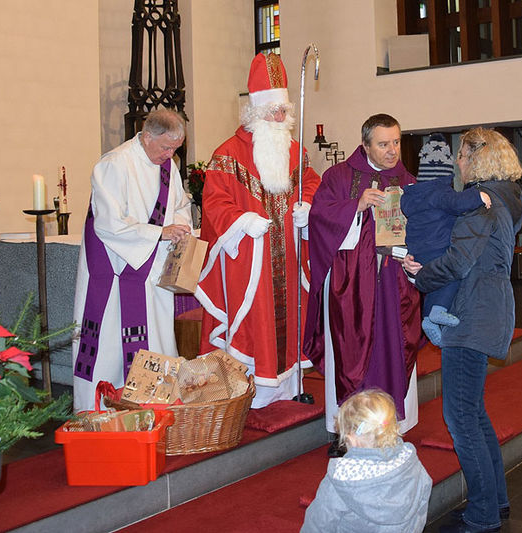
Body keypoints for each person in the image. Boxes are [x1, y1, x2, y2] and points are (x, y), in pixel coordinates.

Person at [403, 127, 522, 533]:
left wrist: (421, 277)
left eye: (461, 155)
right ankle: (496, 502)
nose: (457, 162)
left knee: (460, 419)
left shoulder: (482, 205)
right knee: (474, 413)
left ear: (478, 157)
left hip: (472, 312)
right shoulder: (509, 197)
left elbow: (459, 261)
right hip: (490, 305)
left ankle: (482, 515)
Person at [195, 52, 320, 408]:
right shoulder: (227, 154)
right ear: (255, 113)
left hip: (290, 257)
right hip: (251, 259)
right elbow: (215, 201)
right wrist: (242, 221)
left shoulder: (296, 151)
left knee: (292, 316)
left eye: (283, 112)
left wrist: (307, 206)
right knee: (254, 320)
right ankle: (257, 390)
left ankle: (288, 383)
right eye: (273, 112)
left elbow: (311, 183)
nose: (280, 118)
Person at [303, 113, 423, 442]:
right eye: (383, 144)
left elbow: (422, 230)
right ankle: (346, 432)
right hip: (352, 288)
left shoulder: (408, 181)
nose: (392, 150)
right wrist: (355, 207)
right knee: (352, 353)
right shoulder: (340, 177)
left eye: (396, 142)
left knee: (395, 348)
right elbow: (319, 219)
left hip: (395, 285)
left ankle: (392, 429)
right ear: (365, 144)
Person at [72, 108, 192, 411]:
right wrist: (158, 232)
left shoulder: (168, 166)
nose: (170, 155)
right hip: (114, 270)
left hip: (150, 269)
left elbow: (179, 204)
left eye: (175, 149)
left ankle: (156, 409)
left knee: (156, 336)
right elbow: (109, 223)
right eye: (166, 147)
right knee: (111, 345)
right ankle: (100, 412)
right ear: (146, 136)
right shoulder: (114, 164)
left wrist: (180, 226)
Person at [400, 134, 490, 346]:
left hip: (418, 250)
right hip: (438, 247)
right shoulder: (440, 192)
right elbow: (458, 203)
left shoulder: (411, 195)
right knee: (452, 275)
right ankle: (436, 312)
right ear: (445, 174)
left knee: (435, 283)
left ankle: (429, 318)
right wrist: (479, 196)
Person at [300, 389, 432, 533]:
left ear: (351, 440)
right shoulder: (410, 463)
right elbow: (422, 504)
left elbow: (317, 525)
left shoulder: (342, 480)